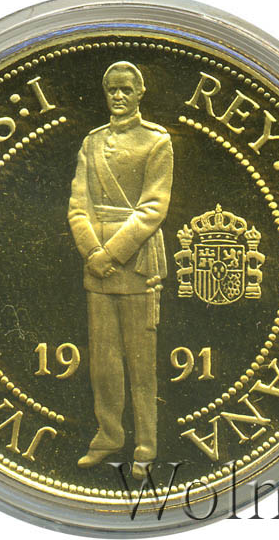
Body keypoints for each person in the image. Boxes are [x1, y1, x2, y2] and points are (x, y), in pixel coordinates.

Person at [68, 61, 174, 479]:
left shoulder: (157, 141)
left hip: (136, 263)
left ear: (140, 92)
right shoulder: (91, 142)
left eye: (126, 89)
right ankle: (109, 435)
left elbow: (153, 208)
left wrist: (111, 253)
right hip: (97, 266)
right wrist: (92, 252)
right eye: (112, 89)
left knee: (140, 361)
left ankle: (146, 443)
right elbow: (78, 206)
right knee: (104, 361)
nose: (118, 96)